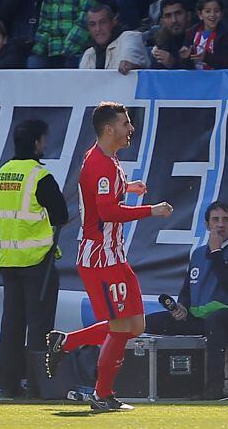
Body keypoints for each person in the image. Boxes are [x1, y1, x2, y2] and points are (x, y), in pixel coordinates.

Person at [45, 102, 174, 411]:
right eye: (125, 123)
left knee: (135, 325)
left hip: (114, 255)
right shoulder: (100, 164)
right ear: (108, 129)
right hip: (100, 258)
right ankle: (102, 396)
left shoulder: (108, 160)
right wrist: (151, 210)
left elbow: (101, 196)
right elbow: (107, 212)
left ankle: (68, 342)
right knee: (120, 327)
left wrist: (128, 187)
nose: (130, 128)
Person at [145, 201, 228, 399]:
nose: (220, 225)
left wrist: (216, 252)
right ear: (207, 225)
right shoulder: (197, 254)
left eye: (225, 220)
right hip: (199, 317)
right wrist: (182, 308)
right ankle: (159, 386)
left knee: (216, 321)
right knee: (150, 322)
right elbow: (188, 289)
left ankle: (214, 390)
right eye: (215, 220)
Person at [0, 119, 68, 398]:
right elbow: (61, 215)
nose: (45, 144)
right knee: (40, 325)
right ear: (36, 142)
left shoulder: (2, 173)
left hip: (9, 259)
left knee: (11, 325)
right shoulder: (39, 176)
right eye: (44, 139)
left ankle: (8, 386)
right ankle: (38, 385)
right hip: (37, 261)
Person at [27, 0, 98, 69]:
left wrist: (68, 49)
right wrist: (38, 49)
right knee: (34, 62)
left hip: (77, 51)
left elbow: (84, 23)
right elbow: (45, 23)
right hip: (53, 51)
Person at [79, 5, 150, 74]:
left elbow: (130, 54)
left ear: (113, 22)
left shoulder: (129, 37)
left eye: (103, 22)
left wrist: (129, 61)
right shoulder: (88, 54)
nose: (98, 29)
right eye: (92, 24)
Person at [181, 0, 228, 70]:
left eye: (216, 11)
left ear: (222, 14)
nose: (212, 15)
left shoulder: (227, 36)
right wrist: (185, 58)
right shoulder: (191, 33)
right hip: (194, 78)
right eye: (208, 11)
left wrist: (207, 58)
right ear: (200, 15)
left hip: (217, 79)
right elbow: (185, 65)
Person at [149, 0, 191, 70]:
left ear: (188, 15)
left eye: (178, 13)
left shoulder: (200, 39)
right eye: (168, 16)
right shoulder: (160, 44)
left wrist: (173, 64)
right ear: (162, 21)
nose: (174, 20)